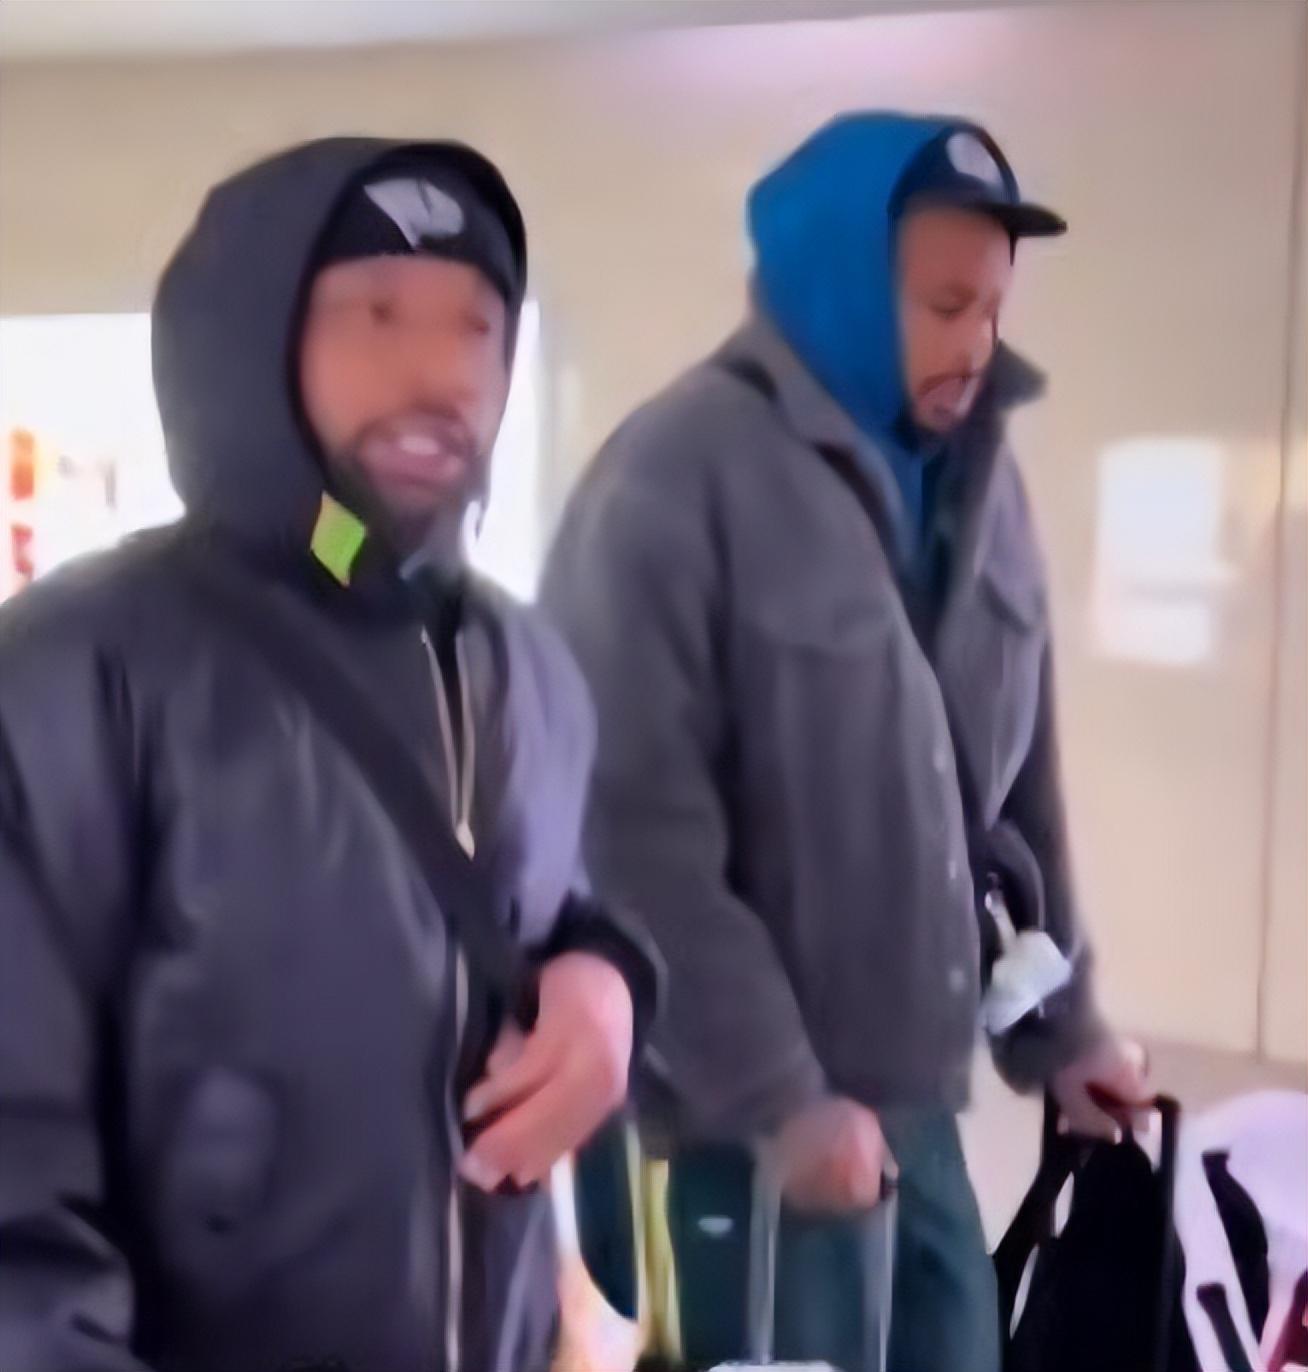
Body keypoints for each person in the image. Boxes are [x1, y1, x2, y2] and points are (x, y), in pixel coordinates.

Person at [0, 137, 657, 1372]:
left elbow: (560, 905)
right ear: (248, 340)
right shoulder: (73, 670)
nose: (440, 373)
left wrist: (611, 983)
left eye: (476, 327)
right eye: (375, 313)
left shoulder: (528, 667)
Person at [541, 112, 1149, 1370]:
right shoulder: (674, 478)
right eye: (945, 306)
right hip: (720, 1121)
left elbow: (1015, 796)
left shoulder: (980, 483)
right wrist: (779, 1095)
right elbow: (629, 835)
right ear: (840, 285)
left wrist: (1063, 1030)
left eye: (994, 308)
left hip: (904, 1099)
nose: (977, 345)